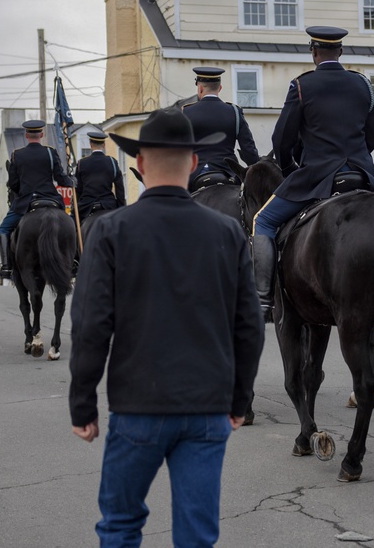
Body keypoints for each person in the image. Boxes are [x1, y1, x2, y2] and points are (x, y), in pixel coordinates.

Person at [69, 106, 263, 547]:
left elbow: (91, 325)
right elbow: (249, 326)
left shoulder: (112, 230)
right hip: (207, 408)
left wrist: (83, 403)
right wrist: (239, 399)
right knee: (196, 536)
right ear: (193, 163)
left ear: (139, 164)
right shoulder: (228, 233)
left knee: (120, 525)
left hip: (138, 407)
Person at [252, 26, 374, 321]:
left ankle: (262, 299)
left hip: (317, 177)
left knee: (263, 220)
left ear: (313, 52)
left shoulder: (301, 85)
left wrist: (289, 170)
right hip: (361, 175)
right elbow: (372, 136)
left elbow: (281, 140)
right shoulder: (363, 84)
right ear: (341, 52)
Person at [0, 120, 75, 279]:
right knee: (71, 225)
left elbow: (14, 184)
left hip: (26, 202)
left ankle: (6, 267)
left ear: (26, 135)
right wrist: (72, 182)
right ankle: (74, 261)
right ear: (41, 134)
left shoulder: (17, 155)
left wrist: (20, 193)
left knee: (3, 229)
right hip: (51, 199)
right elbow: (60, 179)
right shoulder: (50, 153)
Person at [182, 67, 259, 188]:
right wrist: (258, 169)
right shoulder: (234, 112)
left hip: (194, 175)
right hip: (228, 173)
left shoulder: (186, 112)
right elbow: (248, 149)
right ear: (220, 88)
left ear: (200, 88)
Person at [76, 130, 126, 221]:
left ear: (90, 145)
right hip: (108, 205)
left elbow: (78, 189)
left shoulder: (81, 163)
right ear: (104, 145)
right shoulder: (112, 162)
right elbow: (120, 189)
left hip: (87, 206)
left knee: (73, 227)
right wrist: (121, 208)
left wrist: (77, 208)